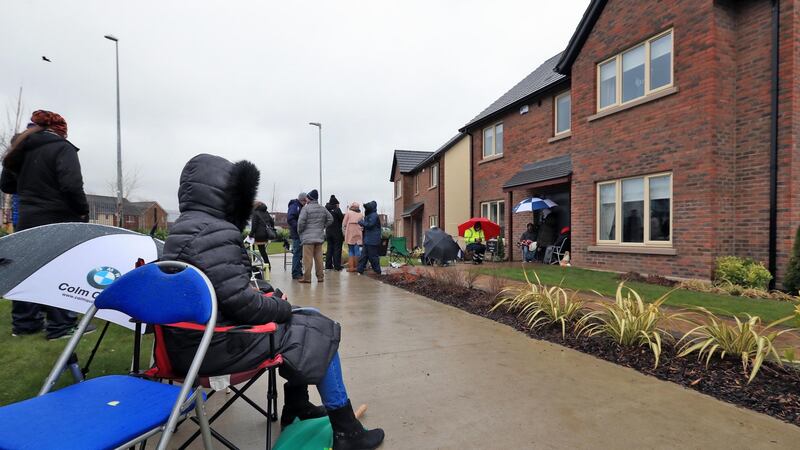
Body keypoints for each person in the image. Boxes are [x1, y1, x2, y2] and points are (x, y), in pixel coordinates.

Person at [163, 154, 384, 449]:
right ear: (224, 193)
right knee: (321, 329)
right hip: (216, 347)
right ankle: (346, 429)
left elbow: (227, 287)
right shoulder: (214, 231)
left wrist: (270, 294)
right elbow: (242, 302)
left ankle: (297, 405)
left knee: (310, 315)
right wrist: (281, 307)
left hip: (189, 342)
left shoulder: (184, 229)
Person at [0, 110, 93, 340]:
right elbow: (71, 185)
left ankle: (25, 325)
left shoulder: (20, 149)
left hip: (29, 218)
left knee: (28, 270)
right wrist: (82, 211)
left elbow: (7, 185)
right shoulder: (63, 148)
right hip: (58, 218)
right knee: (61, 269)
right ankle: (61, 327)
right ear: (60, 130)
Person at [297, 189, 333, 283]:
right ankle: (320, 277)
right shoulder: (322, 208)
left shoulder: (305, 208)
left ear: (309, 199)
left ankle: (307, 278)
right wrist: (323, 226)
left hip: (308, 239)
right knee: (319, 259)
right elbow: (330, 219)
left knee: (307, 260)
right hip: (319, 237)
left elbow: (301, 223)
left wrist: (300, 232)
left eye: (307, 197)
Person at [357, 201, 382, 275]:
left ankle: (377, 271)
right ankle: (360, 269)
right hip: (368, 239)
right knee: (363, 256)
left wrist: (362, 223)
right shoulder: (370, 215)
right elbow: (368, 225)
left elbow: (370, 225)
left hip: (372, 240)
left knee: (373, 256)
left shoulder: (374, 215)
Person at [248, 201, 275, 269]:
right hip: (266, 235)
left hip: (259, 236)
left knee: (249, 243)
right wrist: (270, 228)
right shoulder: (266, 212)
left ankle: (253, 262)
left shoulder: (255, 213)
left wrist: (250, 235)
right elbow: (272, 222)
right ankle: (267, 265)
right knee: (262, 250)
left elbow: (254, 227)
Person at [287, 192, 307, 280]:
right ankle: (295, 273)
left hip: (299, 233)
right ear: (303, 200)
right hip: (297, 233)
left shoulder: (300, 206)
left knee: (299, 254)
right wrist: (299, 227)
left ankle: (298, 271)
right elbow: (290, 218)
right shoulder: (295, 206)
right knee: (297, 254)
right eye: (305, 201)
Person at [324, 195, 345, 271]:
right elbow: (342, 219)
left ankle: (328, 265)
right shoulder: (337, 210)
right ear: (336, 204)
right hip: (337, 233)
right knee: (337, 249)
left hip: (328, 232)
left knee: (329, 249)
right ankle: (337, 266)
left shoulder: (326, 210)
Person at [342, 202, 364, 272]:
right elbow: (362, 225)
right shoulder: (361, 214)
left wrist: (344, 231)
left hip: (350, 233)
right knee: (357, 250)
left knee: (351, 251)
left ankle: (351, 267)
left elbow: (344, 223)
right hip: (358, 233)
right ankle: (357, 267)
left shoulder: (348, 213)